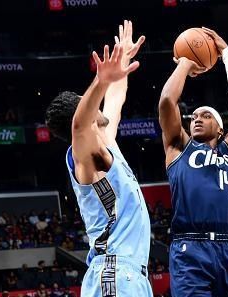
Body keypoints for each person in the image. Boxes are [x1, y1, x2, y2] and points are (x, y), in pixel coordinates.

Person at [45, 21, 153, 297]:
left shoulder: (106, 143)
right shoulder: (85, 159)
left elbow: (116, 97)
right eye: (89, 101)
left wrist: (124, 58)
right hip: (114, 273)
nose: (99, 102)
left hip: (130, 274)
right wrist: (100, 80)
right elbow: (80, 125)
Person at [158, 27, 228, 296]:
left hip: (227, 247)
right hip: (189, 248)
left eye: (205, 115)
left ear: (221, 128)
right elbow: (166, 101)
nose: (196, 118)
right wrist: (185, 63)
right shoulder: (179, 148)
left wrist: (227, 54)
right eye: (193, 116)